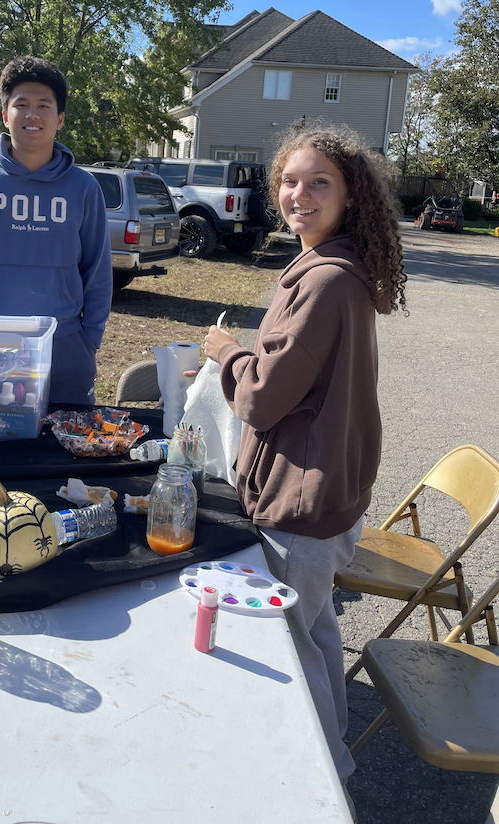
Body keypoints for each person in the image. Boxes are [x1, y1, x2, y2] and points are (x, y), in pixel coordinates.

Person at [196, 123, 406, 800]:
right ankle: (336, 762)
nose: (299, 194)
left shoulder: (326, 282)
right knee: (315, 636)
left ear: (351, 197)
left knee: (294, 645)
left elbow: (261, 398)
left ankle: (320, 791)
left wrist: (226, 350)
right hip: (324, 495)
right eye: (290, 180)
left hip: (304, 505)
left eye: (320, 182)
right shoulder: (326, 269)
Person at [0, 56, 112, 405]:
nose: (32, 114)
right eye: (21, 104)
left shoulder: (84, 188)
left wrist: (90, 336)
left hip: (65, 342)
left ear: (60, 118)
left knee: (67, 453)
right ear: (5, 115)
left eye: (43, 105)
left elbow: (97, 269)